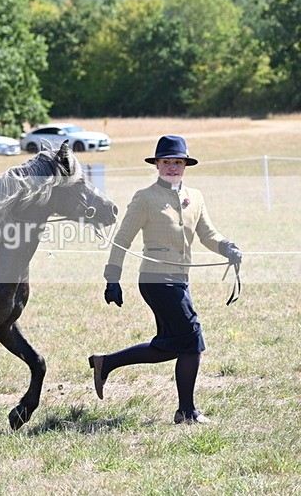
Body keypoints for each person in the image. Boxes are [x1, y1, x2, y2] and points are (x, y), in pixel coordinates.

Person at [89, 135, 242, 424]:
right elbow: (122, 239)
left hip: (180, 279)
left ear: (185, 164)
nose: (173, 167)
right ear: (157, 164)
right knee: (193, 341)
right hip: (156, 280)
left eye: (178, 162)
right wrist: (112, 278)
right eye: (167, 162)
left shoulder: (195, 197)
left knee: (171, 346)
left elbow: (208, 234)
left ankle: (105, 362)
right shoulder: (145, 198)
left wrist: (227, 247)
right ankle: (187, 412)